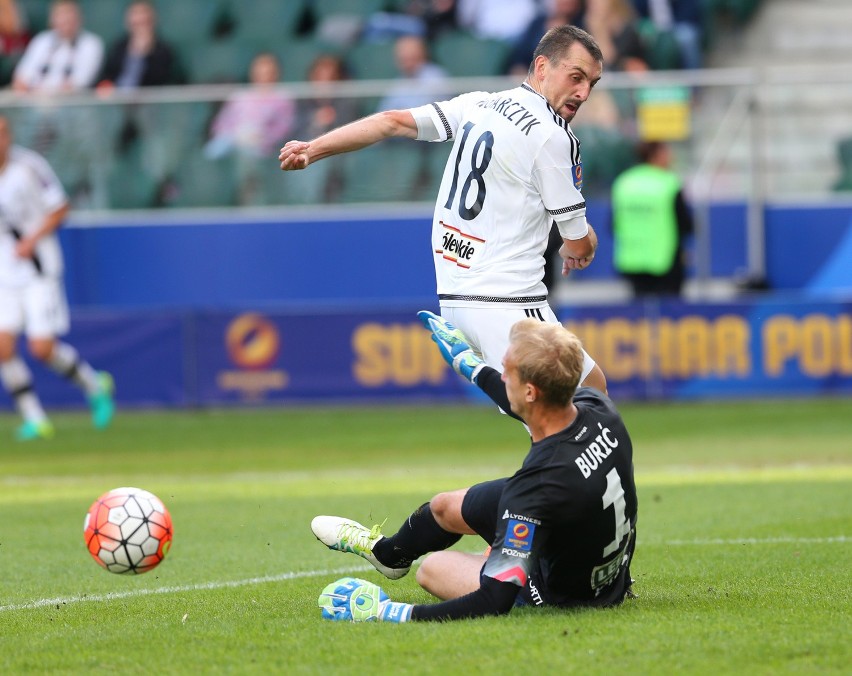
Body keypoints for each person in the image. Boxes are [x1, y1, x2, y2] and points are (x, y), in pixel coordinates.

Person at [280, 25, 608, 393]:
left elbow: (390, 121)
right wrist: (582, 244)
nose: (582, 92)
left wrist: (314, 148)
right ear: (543, 67)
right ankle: (478, 374)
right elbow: (578, 244)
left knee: (581, 399)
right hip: (509, 303)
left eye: (591, 84)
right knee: (577, 413)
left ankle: (474, 370)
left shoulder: (478, 104)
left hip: (455, 303)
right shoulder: (553, 136)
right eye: (576, 77)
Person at [312, 317, 638, 622]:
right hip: (589, 540)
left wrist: (389, 612)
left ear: (529, 392)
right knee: (444, 506)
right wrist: (470, 366)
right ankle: (388, 555)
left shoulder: (532, 489)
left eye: (507, 370)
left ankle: (497, 563)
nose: (502, 376)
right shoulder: (599, 408)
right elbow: (536, 406)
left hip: (567, 592)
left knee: (433, 568)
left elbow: (495, 600)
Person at [0, 115, 115, 441]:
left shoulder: (29, 167)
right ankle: (34, 418)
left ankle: (95, 384)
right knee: (3, 346)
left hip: (38, 269)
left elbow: (60, 208)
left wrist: (32, 240)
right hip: (4, 273)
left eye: (4, 134)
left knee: (41, 347)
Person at [205, 51, 296, 205]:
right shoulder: (240, 97)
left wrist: (262, 138)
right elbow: (221, 124)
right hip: (233, 142)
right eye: (259, 72)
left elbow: (284, 128)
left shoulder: (283, 98)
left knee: (246, 157)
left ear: (275, 74)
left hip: (263, 149)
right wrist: (235, 135)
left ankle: (248, 202)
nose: (263, 76)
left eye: (268, 72)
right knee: (212, 153)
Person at [611, 140, 694, 297]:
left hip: (632, 259)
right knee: (669, 316)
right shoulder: (669, 182)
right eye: (666, 153)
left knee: (640, 315)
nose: (671, 157)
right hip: (665, 260)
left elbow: (613, 224)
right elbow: (685, 224)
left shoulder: (623, 182)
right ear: (656, 155)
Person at [11, 0, 103, 93]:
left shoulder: (91, 44)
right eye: (60, 15)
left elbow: (79, 83)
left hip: (69, 102)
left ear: (79, 18)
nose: (65, 20)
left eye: (69, 15)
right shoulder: (41, 40)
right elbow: (21, 78)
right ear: (52, 19)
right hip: (33, 99)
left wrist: (47, 93)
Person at [96, 1, 184, 91]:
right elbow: (105, 79)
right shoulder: (118, 47)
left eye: (144, 14)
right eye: (135, 14)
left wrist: (144, 54)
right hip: (117, 100)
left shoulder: (164, 51)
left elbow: (163, 82)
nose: (140, 19)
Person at [375, 34, 448, 112]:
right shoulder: (398, 83)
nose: (407, 64)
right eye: (403, 59)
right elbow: (383, 112)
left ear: (422, 55)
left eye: (411, 58)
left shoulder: (435, 76)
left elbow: (427, 113)